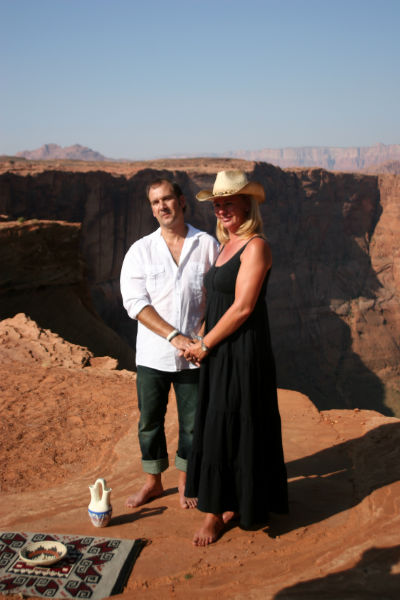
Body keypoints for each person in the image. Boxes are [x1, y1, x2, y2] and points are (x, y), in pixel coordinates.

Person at [183, 169, 288, 545]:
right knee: (219, 422)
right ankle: (231, 502)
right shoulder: (225, 245)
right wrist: (200, 338)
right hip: (219, 346)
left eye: (228, 203)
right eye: (217, 204)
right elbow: (218, 301)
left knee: (234, 423)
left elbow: (243, 307)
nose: (221, 209)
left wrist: (205, 344)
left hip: (242, 350)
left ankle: (217, 513)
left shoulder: (255, 246)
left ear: (247, 204)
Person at [120, 178, 218, 509]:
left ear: (181, 201)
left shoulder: (206, 245)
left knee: (193, 423)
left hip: (195, 355)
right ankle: (153, 482)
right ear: (152, 209)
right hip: (153, 355)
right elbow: (135, 303)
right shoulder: (140, 251)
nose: (162, 206)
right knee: (150, 421)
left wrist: (201, 338)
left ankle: (185, 481)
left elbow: (217, 298)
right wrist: (174, 336)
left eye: (167, 199)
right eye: (155, 202)